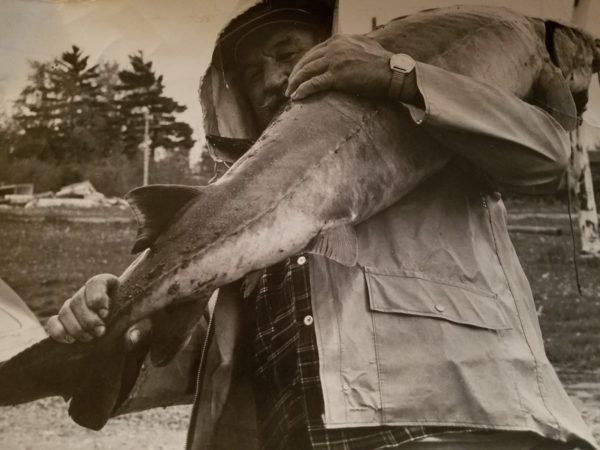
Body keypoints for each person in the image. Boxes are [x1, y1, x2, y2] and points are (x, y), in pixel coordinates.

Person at [46, 1, 598, 449]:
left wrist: (400, 77)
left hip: (442, 421)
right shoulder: (234, 206)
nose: (272, 79)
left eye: (288, 53)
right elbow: (201, 362)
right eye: (251, 75)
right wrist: (118, 316)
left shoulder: (438, 123)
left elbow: (548, 157)